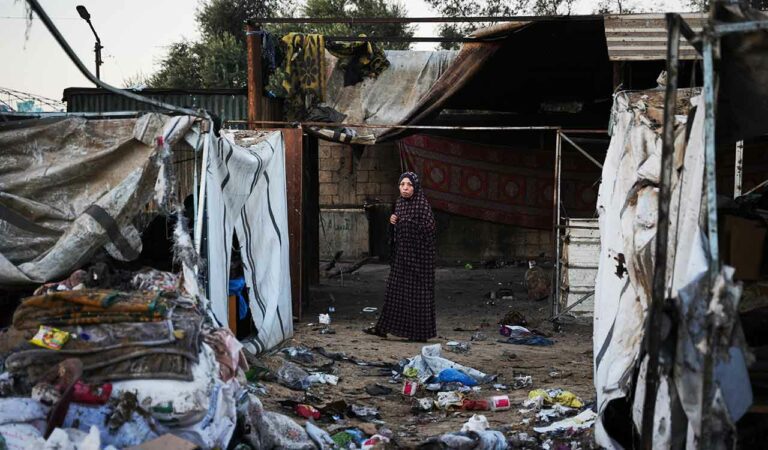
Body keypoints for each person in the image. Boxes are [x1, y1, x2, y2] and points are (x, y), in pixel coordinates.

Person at [365, 172, 436, 342]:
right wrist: (393, 222)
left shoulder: (422, 205)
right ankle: (383, 328)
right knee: (395, 292)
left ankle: (419, 334)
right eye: (402, 184)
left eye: (409, 184)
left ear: (415, 187)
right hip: (401, 258)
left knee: (416, 295)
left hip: (419, 261)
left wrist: (406, 223)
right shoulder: (399, 204)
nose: (405, 188)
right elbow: (394, 233)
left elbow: (430, 230)